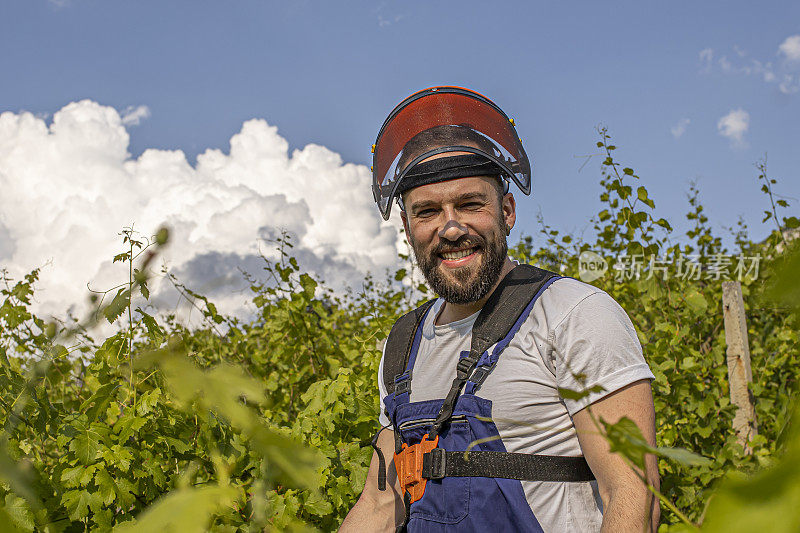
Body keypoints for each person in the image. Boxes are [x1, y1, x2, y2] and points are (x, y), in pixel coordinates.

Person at [341, 87, 659, 532]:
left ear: (507, 210)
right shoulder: (403, 346)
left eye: (470, 204)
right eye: (427, 212)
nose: (450, 228)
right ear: (408, 229)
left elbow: (632, 496)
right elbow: (381, 504)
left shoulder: (573, 314)